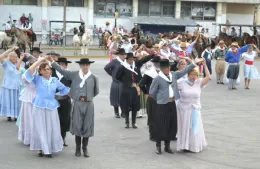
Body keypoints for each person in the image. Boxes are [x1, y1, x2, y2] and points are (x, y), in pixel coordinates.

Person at [149, 57, 201, 155]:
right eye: (165, 67)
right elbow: (152, 92)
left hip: (172, 103)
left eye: (168, 67)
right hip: (162, 104)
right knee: (161, 125)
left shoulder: (173, 75)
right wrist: (160, 99)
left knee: (170, 124)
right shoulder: (157, 78)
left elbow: (184, 70)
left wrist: (193, 63)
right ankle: (158, 145)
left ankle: (167, 146)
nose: (167, 69)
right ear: (161, 68)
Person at [51, 58, 99, 158]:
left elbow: (96, 91)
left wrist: (88, 97)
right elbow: (62, 71)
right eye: (83, 65)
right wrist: (53, 63)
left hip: (88, 103)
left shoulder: (94, 77)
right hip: (77, 102)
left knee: (87, 125)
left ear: (89, 66)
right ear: (80, 66)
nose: (85, 67)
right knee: (77, 124)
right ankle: (78, 148)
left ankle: (85, 148)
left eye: (87, 65)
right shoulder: (74, 75)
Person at [25, 56, 70, 158]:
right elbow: (30, 70)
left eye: (48, 69)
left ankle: (49, 148)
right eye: (44, 69)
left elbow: (65, 90)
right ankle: (42, 148)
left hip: (52, 106)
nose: (46, 71)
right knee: (40, 127)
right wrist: (40, 60)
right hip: (39, 106)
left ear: (50, 70)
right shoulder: (37, 79)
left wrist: (76, 97)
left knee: (51, 127)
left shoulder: (54, 80)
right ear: (40, 71)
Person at [177, 59, 210, 153]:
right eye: (191, 75)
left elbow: (208, 76)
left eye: (195, 75)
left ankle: (194, 145)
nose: (193, 77)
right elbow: (173, 89)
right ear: (188, 75)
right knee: (185, 127)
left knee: (195, 128)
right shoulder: (181, 83)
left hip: (195, 109)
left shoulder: (199, 82)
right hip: (184, 109)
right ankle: (185, 145)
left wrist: (205, 65)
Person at [116, 52, 154, 129]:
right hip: (126, 88)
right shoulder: (122, 67)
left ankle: (134, 122)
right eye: (129, 59)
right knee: (126, 105)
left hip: (135, 88)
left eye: (132, 59)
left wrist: (152, 55)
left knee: (135, 105)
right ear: (126, 59)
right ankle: (127, 121)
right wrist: (125, 82)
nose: (131, 61)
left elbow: (144, 60)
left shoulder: (136, 64)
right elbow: (118, 77)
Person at [138, 56, 161, 141]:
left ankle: (159, 133)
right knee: (152, 116)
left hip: (161, 97)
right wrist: (146, 92)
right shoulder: (149, 73)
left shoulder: (162, 72)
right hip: (153, 97)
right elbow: (141, 84)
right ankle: (152, 135)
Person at [0, 46, 24, 121]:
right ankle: (9, 115)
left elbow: (19, 70)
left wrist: (20, 58)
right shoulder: (6, 63)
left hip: (17, 85)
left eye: (15, 57)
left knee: (16, 101)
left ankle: (16, 115)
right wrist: (10, 50)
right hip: (8, 85)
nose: (14, 58)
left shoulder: (19, 63)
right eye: (12, 57)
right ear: (9, 57)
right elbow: (1, 56)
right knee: (8, 100)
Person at [54, 57, 72, 147]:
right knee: (55, 119)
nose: (61, 66)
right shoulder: (52, 73)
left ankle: (63, 137)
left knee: (65, 119)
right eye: (60, 64)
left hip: (65, 100)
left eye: (63, 64)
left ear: (66, 65)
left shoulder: (69, 74)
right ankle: (55, 138)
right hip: (54, 100)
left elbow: (74, 86)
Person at [18, 59, 36, 145]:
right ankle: (28, 138)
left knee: (36, 119)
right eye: (31, 65)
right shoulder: (26, 74)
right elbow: (27, 78)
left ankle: (36, 137)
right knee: (28, 118)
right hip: (28, 98)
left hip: (37, 99)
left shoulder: (39, 75)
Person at [104, 48, 126, 118]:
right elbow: (106, 67)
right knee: (115, 98)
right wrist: (112, 74)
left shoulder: (126, 61)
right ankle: (116, 112)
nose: (123, 56)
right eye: (122, 55)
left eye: (124, 55)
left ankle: (123, 112)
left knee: (123, 98)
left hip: (124, 83)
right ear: (119, 55)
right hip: (116, 82)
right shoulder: (115, 61)